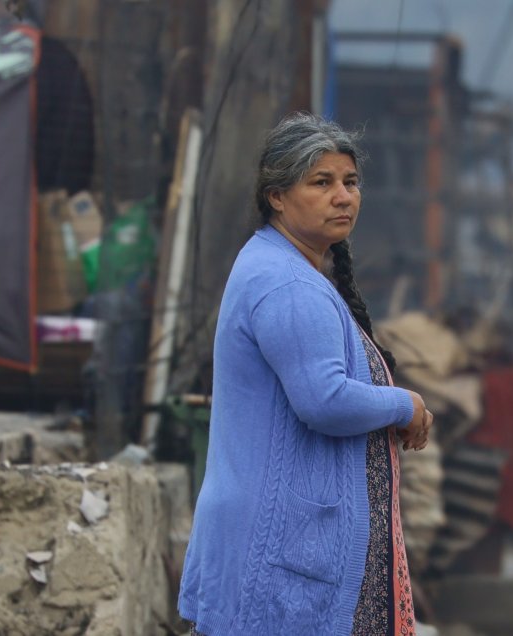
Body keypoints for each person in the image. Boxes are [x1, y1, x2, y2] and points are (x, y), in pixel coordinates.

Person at [178, 113, 432, 636]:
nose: (343, 197)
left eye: (350, 182)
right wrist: (404, 404)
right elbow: (324, 400)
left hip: (283, 536)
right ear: (277, 196)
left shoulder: (281, 266)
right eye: (321, 182)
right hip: (280, 544)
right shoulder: (288, 284)